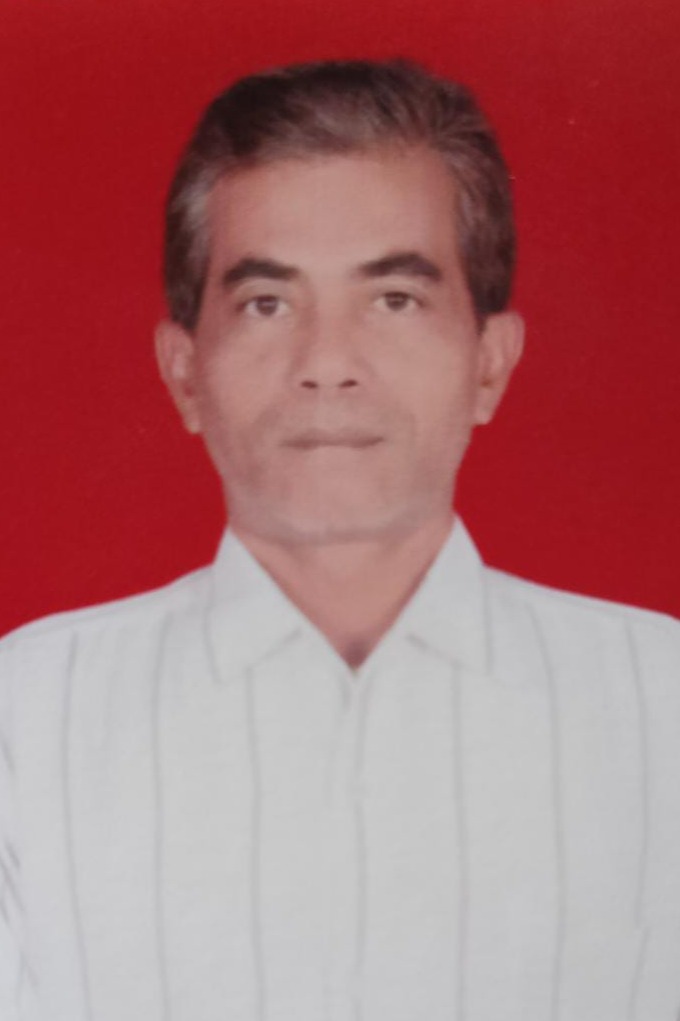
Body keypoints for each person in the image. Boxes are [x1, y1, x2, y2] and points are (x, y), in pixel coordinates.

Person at [1, 58, 679, 1021]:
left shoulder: (659, 705)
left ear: (490, 364)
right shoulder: (26, 718)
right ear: (184, 373)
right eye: (266, 303)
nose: (327, 364)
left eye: (394, 298)